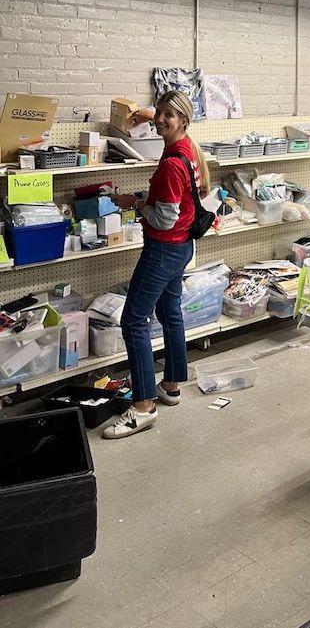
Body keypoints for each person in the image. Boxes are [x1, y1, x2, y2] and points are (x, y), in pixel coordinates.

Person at [103, 90, 210, 439]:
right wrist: (150, 113)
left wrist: (136, 204)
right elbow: (174, 204)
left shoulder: (169, 164)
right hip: (182, 247)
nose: (161, 120)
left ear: (183, 120)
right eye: (159, 113)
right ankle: (172, 384)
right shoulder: (187, 150)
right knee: (170, 313)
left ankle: (144, 406)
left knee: (134, 321)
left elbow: (163, 219)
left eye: (168, 115)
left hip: (163, 248)